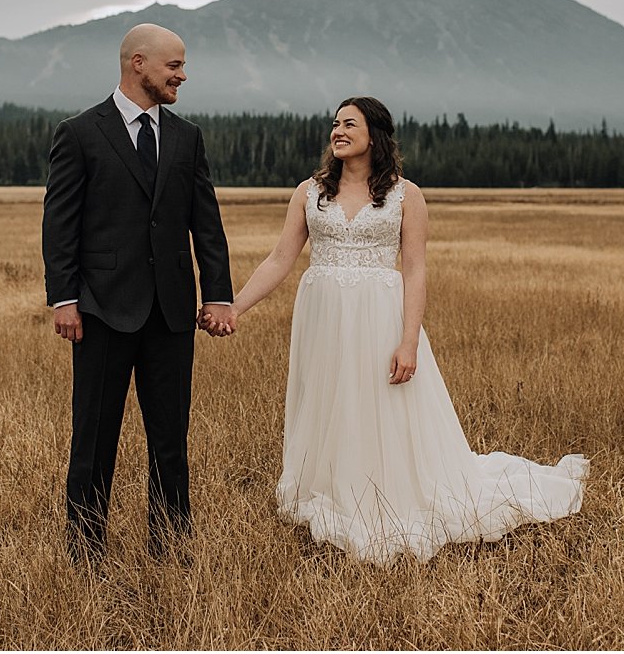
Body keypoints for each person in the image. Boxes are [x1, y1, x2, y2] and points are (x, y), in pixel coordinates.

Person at [210, 96, 587, 564]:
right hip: (324, 319)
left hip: (380, 318)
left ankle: (382, 492)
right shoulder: (310, 192)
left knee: (380, 406)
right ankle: (330, 486)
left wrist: (409, 341)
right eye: (335, 124)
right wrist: (234, 308)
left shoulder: (406, 195)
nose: (338, 131)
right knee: (331, 401)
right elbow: (280, 259)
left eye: (350, 124)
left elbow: (415, 271)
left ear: (376, 135)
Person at [42, 23, 236, 563]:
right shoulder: (79, 133)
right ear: (139, 64)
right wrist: (64, 298)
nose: (183, 74)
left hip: (172, 312)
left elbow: (207, 222)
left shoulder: (186, 136)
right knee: (95, 439)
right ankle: (86, 552)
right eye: (174, 66)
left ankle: (171, 548)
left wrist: (217, 293)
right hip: (102, 309)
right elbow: (60, 223)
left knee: (171, 440)